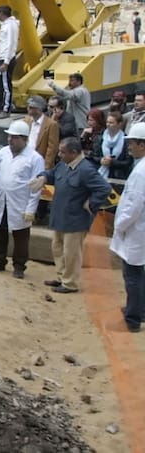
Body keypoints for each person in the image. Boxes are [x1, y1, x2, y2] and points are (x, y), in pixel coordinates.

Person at [30, 137, 111, 293]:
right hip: (60, 216)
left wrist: (92, 202)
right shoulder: (64, 165)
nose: (60, 154)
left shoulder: (86, 169)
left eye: (63, 152)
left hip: (76, 219)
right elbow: (53, 172)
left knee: (71, 253)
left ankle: (70, 283)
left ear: (74, 153)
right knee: (58, 248)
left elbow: (104, 188)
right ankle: (62, 277)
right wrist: (43, 177)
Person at [0, 120, 45, 279]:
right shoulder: (3, 152)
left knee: (21, 236)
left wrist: (31, 209)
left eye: (14, 137)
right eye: (9, 137)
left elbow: (36, 187)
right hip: (2, 200)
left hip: (20, 204)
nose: (10, 140)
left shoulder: (35, 158)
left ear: (24, 139)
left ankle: (19, 266)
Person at [110, 122, 145, 332]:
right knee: (139, 273)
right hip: (138, 229)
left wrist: (120, 225)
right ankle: (140, 310)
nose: (129, 147)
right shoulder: (140, 167)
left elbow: (134, 205)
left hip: (135, 229)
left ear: (142, 144)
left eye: (132, 143)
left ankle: (133, 319)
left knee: (132, 275)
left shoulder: (141, 172)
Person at [0, 6, 19, 118]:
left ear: (2, 13)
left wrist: (6, 62)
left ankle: (6, 109)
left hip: (5, 59)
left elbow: (11, 44)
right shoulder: (5, 25)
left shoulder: (11, 25)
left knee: (6, 85)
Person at [24, 95, 60, 169]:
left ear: (39, 109)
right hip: (25, 161)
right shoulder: (26, 121)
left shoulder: (51, 124)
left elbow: (52, 148)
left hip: (40, 163)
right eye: (28, 107)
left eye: (31, 107)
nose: (28, 109)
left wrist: (45, 166)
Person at [96, 111, 131, 180]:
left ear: (119, 124)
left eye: (111, 123)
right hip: (100, 173)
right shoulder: (100, 137)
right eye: (107, 122)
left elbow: (128, 161)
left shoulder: (126, 140)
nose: (108, 124)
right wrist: (101, 160)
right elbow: (94, 155)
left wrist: (112, 162)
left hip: (118, 175)